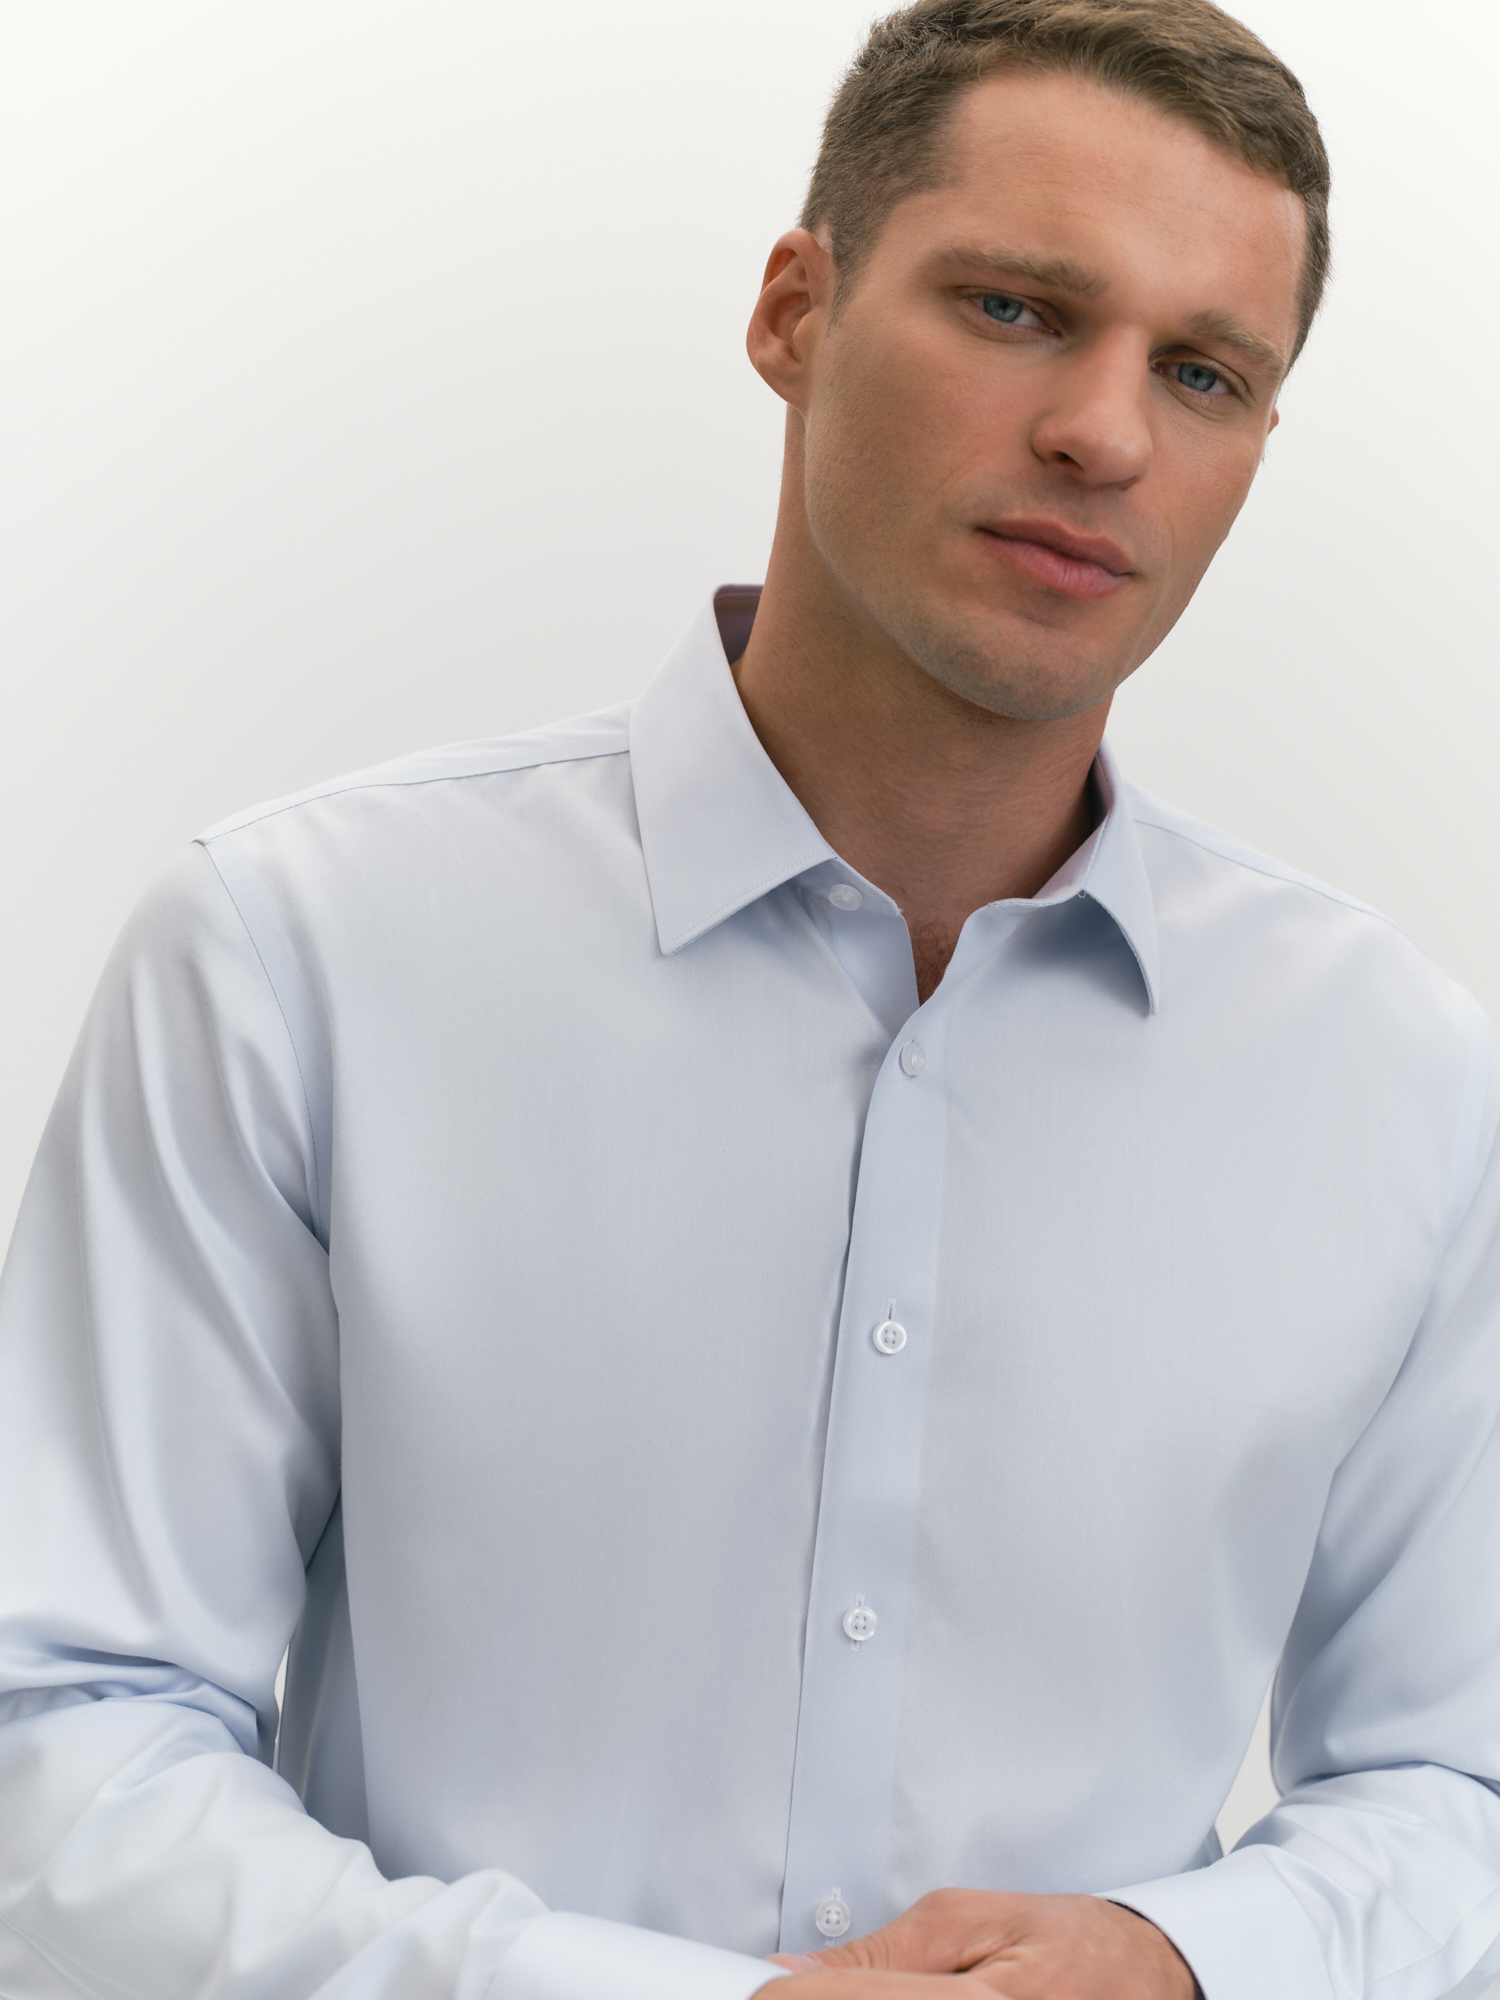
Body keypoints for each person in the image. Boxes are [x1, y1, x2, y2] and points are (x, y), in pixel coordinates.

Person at [2, 0, 1498, 1996]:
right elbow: (62, 1751)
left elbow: (1461, 1785)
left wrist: (1184, 1957)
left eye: (1203, 371)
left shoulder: (1399, 1079)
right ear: (796, 309)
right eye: (1019, 309)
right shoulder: (295, 955)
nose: (1107, 434)